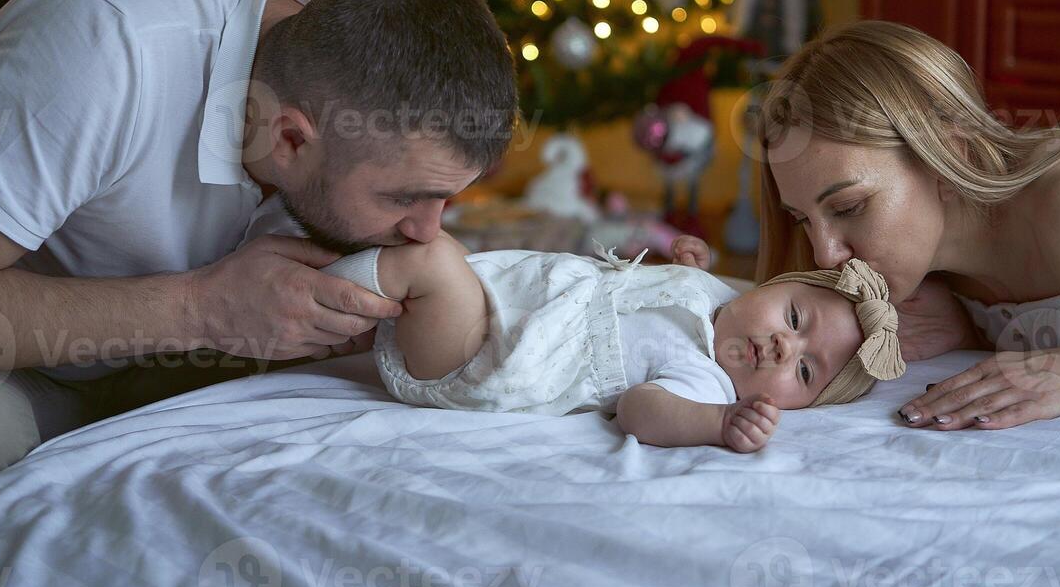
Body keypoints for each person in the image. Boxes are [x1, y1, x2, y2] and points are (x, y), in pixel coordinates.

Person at [0, 0, 518, 505]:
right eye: (410, 198)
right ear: (288, 139)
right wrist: (203, 309)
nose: (428, 231)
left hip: (197, 375)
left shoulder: (379, 77)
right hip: (11, 365)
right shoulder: (103, 47)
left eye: (448, 200)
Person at [673, 20, 1060, 431]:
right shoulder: (908, 280)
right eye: (802, 219)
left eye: (849, 208)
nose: (827, 251)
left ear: (956, 156)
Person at [247, 193, 909, 453]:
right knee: (423, 261)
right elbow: (659, 285)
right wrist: (682, 264)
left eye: (804, 369)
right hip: (508, 303)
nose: (781, 343)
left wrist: (715, 426)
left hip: (486, 359)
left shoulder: (707, 385)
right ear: (771, 284)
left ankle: (299, 298)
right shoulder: (720, 297)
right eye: (794, 316)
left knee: (431, 260)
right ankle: (322, 294)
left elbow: (642, 412)